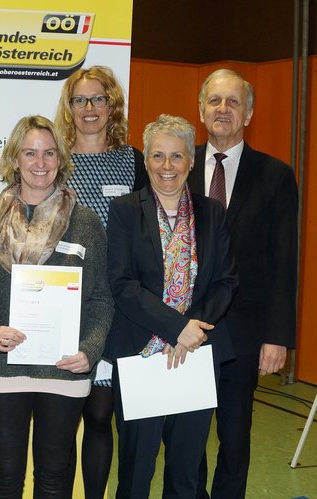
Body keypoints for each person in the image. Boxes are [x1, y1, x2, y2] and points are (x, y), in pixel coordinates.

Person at [0, 115, 114, 498]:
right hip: (1, 370)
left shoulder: (86, 224)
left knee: (55, 478)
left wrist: (89, 351)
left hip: (64, 370)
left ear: (60, 160)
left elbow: (100, 299)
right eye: (30, 153)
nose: (39, 163)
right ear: (14, 159)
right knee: (6, 477)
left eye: (48, 153)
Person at [105, 114, 238, 498]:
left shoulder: (212, 212)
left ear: (191, 162)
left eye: (176, 157)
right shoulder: (125, 211)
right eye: (158, 157)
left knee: (186, 475)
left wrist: (192, 329)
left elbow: (227, 280)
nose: (167, 167)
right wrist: (174, 327)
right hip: (141, 357)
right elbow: (122, 283)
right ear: (145, 160)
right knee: (136, 474)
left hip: (196, 355)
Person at [190, 69, 298, 499]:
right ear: (201, 110)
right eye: (214, 101)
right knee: (187, 440)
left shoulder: (275, 176)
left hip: (246, 332)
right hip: (186, 331)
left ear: (249, 113)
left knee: (235, 442)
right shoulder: (174, 165)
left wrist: (278, 337)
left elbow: (284, 262)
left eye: (233, 102)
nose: (223, 110)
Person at [55, 65, 148, 499]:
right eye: (80, 100)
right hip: (58, 305)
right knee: (60, 420)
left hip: (112, 307)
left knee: (99, 414)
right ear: (69, 108)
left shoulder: (134, 161)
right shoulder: (53, 159)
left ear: (112, 106)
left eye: (98, 99)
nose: (89, 108)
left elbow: (148, 235)